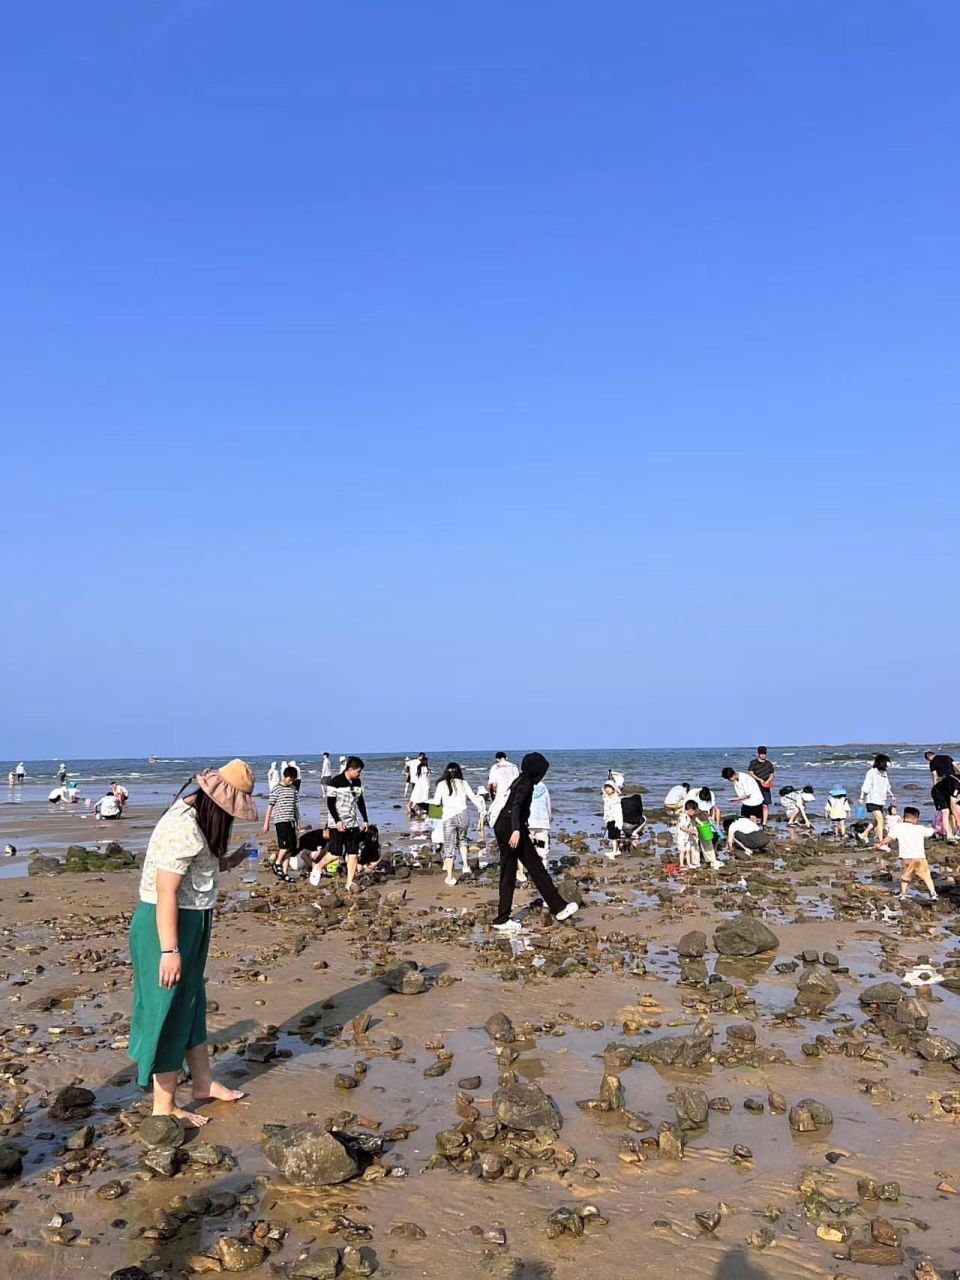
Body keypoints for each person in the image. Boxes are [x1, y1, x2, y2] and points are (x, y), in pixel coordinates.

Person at [129, 759, 256, 1127]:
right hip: (166, 924)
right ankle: (163, 1108)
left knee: (191, 1001)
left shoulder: (200, 818)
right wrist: (170, 951)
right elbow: (166, 892)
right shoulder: (182, 826)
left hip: (193, 919)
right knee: (167, 1009)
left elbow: (197, 873)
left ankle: (203, 1083)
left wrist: (232, 859)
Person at [491, 753, 578, 933]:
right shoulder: (526, 783)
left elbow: (514, 807)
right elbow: (515, 806)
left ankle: (501, 919)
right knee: (536, 868)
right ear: (536, 770)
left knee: (508, 872)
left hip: (503, 825)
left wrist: (522, 828)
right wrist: (516, 830)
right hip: (511, 827)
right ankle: (559, 908)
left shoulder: (520, 779)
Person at [432, 762, 483, 885]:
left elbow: (436, 802)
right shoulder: (463, 783)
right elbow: (473, 797)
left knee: (449, 846)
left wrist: (433, 817)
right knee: (462, 840)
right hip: (463, 815)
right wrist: (482, 810)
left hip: (448, 817)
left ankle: (449, 877)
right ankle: (465, 866)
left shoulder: (441, 784)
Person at [325, 757, 369, 893]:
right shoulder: (334, 782)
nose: (360, 774)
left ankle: (349, 882)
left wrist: (365, 819)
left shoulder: (358, 782)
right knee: (335, 853)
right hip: (336, 822)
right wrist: (337, 821)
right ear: (350, 769)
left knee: (353, 853)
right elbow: (330, 804)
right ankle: (318, 865)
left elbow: (360, 801)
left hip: (352, 822)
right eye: (358, 771)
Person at [877, 805, 937, 902]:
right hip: (919, 857)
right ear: (914, 818)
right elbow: (931, 831)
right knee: (926, 876)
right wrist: (937, 828)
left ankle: (903, 894)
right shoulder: (919, 828)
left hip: (907, 858)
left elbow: (889, 838)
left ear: (905, 817)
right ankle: (933, 893)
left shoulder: (899, 828)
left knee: (905, 876)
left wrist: (880, 844)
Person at [263, 765, 301, 881]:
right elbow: (270, 807)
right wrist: (266, 823)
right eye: (290, 778)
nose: (292, 780)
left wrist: (298, 823)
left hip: (291, 821)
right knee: (284, 846)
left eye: (294, 778)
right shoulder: (277, 789)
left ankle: (284, 873)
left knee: (291, 848)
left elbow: (296, 808)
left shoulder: (294, 789)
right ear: (285, 776)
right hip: (280, 820)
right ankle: (277, 863)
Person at [858, 754, 895, 845]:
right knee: (880, 820)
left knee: (876, 820)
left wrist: (892, 795)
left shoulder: (884, 773)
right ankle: (881, 841)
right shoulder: (871, 772)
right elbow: (866, 785)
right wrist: (861, 797)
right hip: (872, 800)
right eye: (886, 762)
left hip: (881, 800)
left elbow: (887, 785)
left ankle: (864, 834)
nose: (887, 764)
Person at [925, 750, 960, 841]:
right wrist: (936, 786)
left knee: (953, 812)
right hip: (939, 790)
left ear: (928, 758)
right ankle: (949, 835)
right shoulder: (946, 756)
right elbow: (956, 766)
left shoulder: (933, 762)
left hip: (949, 781)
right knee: (946, 811)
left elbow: (934, 774)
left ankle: (955, 831)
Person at [749, 747, 776, 826]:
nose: (763, 755)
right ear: (758, 754)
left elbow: (772, 774)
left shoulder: (768, 764)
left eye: (764, 754)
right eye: (761, 754)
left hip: (766, 787)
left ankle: (764, 822)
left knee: (765, 804)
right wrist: (759, 779)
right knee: (755, 804)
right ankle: (754, 821)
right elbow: (751, 773)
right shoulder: (753, 762)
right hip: (755, 787)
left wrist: (768, 781)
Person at [529, 776, 552, 861]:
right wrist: (549, 819)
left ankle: (529, 870)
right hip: (543, 823)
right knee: (542, 848)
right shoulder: (543, 787)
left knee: (528, 848)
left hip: (529, 822)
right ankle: (543, 869)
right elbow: (548, 806)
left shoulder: (526, 786)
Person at [602, 779, 623, 847]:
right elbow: (606, 809)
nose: (607, 789)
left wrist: (618, 822)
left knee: (614, 837)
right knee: (612, 837)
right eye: (606, 788)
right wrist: (606, 818)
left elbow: (618, 812)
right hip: (609, 819)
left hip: (615, 819)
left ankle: (615, 851)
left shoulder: (616, 799)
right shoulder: (606, 798)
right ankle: (616, 850)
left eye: (609, 788)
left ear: (613, 789)